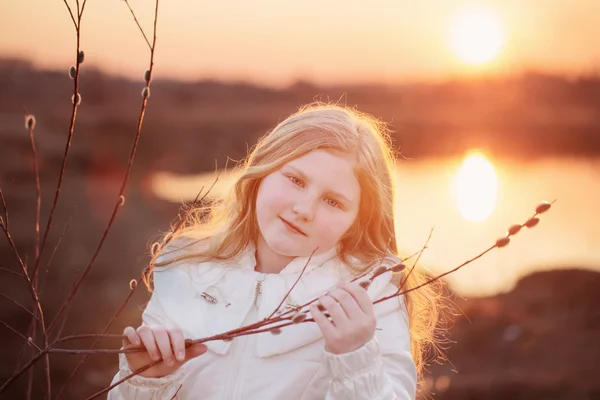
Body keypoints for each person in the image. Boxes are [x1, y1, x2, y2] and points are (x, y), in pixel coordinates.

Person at [108, 103, 440, 399]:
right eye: (295, 180)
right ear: (263, 171)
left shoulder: (370, 293)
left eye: (333, 201)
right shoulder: (189, 266)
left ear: (356, 220)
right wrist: (144, 383)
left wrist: (355, 357)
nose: (304, 209)